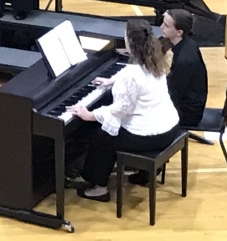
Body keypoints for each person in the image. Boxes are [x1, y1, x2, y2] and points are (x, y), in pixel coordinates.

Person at [70, 19, 179, 202]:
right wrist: (113, 81)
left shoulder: (130, 76)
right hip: (169, 127)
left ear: (130, 41)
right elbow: (140, 83)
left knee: (102, 136)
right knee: (106, 128)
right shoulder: (155, 60)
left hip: (149, 136)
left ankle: (99, 187)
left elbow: (121, 110)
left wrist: (90, 115)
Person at [160, 9, 208, 127]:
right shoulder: (187, 44)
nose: (161, 27)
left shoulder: (185, 60)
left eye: (166, 25)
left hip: (187, 114)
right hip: (186, 102)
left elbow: (173, 94)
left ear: (179, 32)